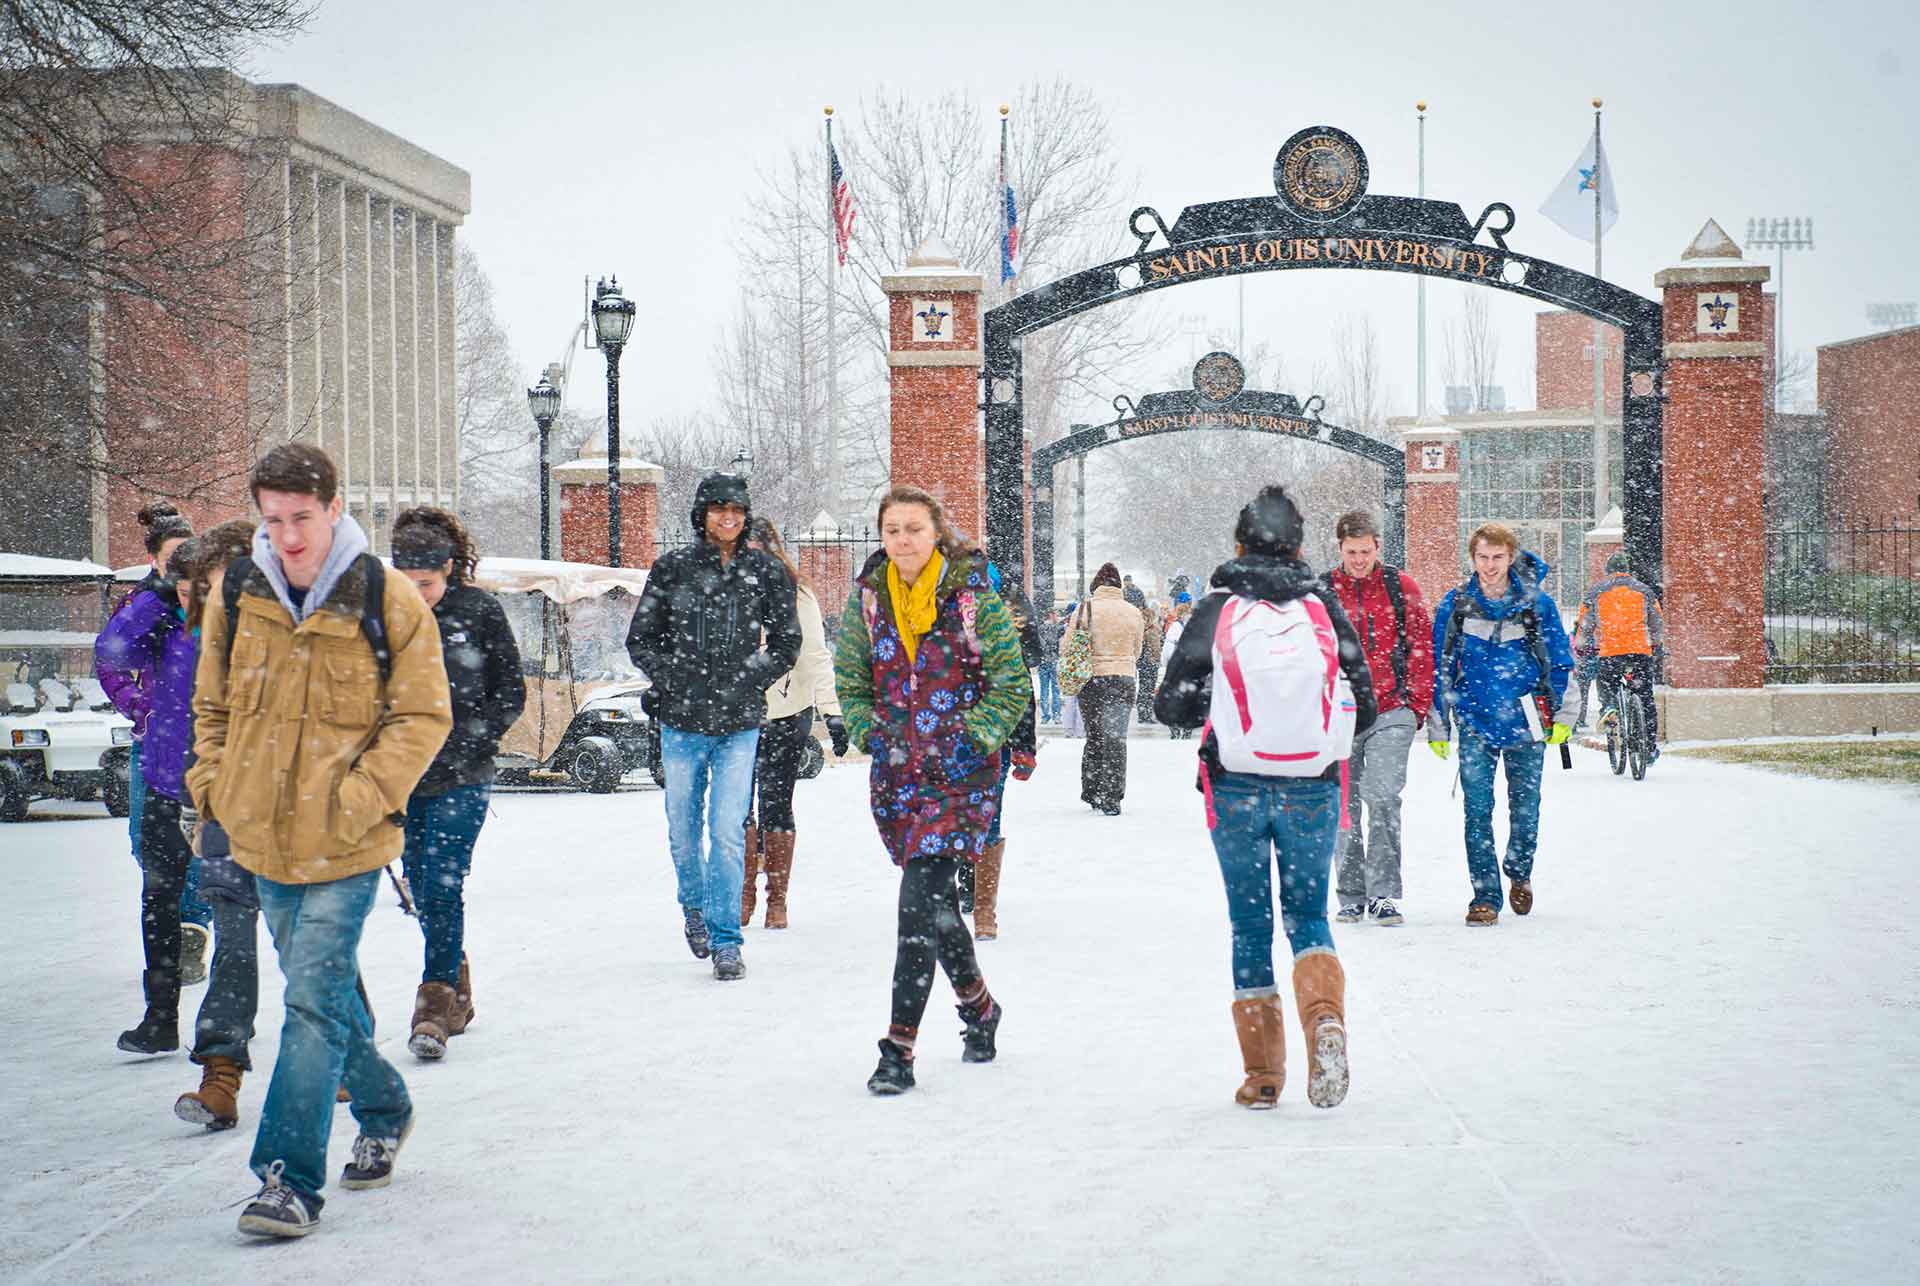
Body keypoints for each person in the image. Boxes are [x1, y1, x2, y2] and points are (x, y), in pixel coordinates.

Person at [189, 443, 451, 1237]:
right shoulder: (237, 593)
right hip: (261, 836)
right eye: (274, 520)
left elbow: (422, 715)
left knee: (307, 1001)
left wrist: (363, 797)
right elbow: (211, 710)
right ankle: (384, 1106)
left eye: (302, 517)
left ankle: (287, 1178)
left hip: (347, 841)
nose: (290, 536)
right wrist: (215, 789)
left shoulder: (386, 597)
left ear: (334, 508)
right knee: (325, 997)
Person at [1155, 485, 1376, 1110]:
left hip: (1235, 786)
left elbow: (1170, 704)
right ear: (1301, 546)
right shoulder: (1324, 607)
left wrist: (1219, 706)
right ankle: (1325, 1019)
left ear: (1238, 545)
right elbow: (1364, 706)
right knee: (1308, 915)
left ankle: (1263, 1075)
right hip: (1313, 787)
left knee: (1250, 923)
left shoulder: (1217, 610)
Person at [833, 485, 1028, 1095]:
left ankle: (899, 1049)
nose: (903, 541)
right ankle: (979, 1007)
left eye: (914, 529)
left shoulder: (974, 600)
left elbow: (1011, 683)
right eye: (892, 530)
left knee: (916, 905)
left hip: (961, 776)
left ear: (936, 533)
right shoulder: (868, 601)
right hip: (898, 773)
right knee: (937, 907)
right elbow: (850, 674)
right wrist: (868, 730)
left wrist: (975, 737)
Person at [625, 473, 800, 980]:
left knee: (726, 832)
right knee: (683, 832)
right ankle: (694, 910)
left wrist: (750, 676)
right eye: (719, 508)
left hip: (739, 722)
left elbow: (787, 642)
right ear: (701, 514)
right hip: (681, 723)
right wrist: (674, 678)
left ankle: (727, 939)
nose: (729, 517)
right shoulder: (672, 569)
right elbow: (642, 640)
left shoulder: (764, 571)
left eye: (737, 509)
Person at [389, 509, 525, 1059]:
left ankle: (434, 1005)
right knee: (419, 882)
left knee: (443, 882)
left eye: (427, 584)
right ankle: (456, 980)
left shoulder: (479, 611)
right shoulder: (382, 616)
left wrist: (475, 738)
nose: (418, 595)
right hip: (400, 774)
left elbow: (510, 689)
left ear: (450, 568)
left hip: (463, 772)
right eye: (407, 584)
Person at [1427, 523, 1576, 927]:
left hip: (1526, 721)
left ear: (1510, 557)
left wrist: (1563, 716)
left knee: (1525, 808)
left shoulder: (1536, 604)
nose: (1490, 566)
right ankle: (1485, 896)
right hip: (1474, 719)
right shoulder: (1456, 604)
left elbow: (1560, 659)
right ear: (1472, 559)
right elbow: (1438, 665)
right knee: (1477, 811)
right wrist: (1438, 722)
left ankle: (1519, 871)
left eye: (1497, 557)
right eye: (1482, 557)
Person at [167, 520, 265, 1132]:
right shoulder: (203, 643)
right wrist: (195, 796)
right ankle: (219, 1073)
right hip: (227, 811)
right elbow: (199, 730)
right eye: (212, 586)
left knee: (313, 950)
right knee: (233, 944)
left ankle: (343, 1057)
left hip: (299, 816)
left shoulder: (303, 634)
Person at [96, 508, 204, 1054]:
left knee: (238, 901)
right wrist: (158, 597)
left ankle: (229, 1021)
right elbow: (111, 654)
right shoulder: (154, 611)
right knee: (158, 892)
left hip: (224, 778)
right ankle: (160, 1016)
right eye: (171, 571)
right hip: (165, 769)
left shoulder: (234, 617)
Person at [1323, 511, 1435, 928]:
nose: (1358, 559)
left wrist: (1417, 705)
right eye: (1351, 552)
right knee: (1342, 807)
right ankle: (1351, 894)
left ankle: (1384, 892)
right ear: (1339, 548)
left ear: (1377, 548)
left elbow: (1422, 645)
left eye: (1365, 551)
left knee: (1383, 797)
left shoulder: (1399, 587)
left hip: (1391, 709)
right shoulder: (1321, 592)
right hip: (1337, 714)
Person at [739, 517, 845, 932]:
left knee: (775, 802)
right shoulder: (726, 593)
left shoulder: (797, 593)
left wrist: (831, 711)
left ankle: (776, 899)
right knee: (735, 808)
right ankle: (743, 892)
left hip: (787, 708)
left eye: (757, 547)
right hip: (736, 711)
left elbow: (816, 655)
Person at [963, 566, 1041, 941]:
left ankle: (983, 908)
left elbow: (1020, 688)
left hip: (994, 737)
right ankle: (966, 891)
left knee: (987, 814)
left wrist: (1024, 745)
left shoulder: (1005, 631)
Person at [1572, 552, 1664, 754]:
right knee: (1646, 697)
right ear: (1627, 569)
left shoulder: (1596, 592)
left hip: (1611, 652)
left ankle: (1609, 707)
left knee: (1606, 682)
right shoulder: (1644, 591)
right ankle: (1648, 748)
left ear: (1608, 571)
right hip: (1640, 652)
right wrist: (1656, 643)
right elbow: (1657, 621)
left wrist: (1582, 646)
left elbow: (1585, 625)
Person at [1080, 563, 1144, 815]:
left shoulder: (1085, 610)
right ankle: (1112, 796)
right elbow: (1137, 650)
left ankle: (1092, 790)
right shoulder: (1132, 612)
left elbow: (1068, 647)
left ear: (1095, 585)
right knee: (1116, 738)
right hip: (1122, 679)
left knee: (1094, 735)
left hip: (1092, 679)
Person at [1159, 593, 1196, 740]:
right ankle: (1185, 728)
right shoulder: (1193, 626)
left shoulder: (1175, 627)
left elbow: (1167, 651)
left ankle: (1176, 728)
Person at [1135, 594, 1164, 725]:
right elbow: (1154, 647)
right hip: (1149, 663)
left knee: (1145, 687)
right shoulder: (1149, 630)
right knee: (1146, 688)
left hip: (1146, 662)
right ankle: (1144, 714)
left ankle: (1144, 712)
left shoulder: (1146, 629)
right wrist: (1154, 658)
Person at [1035, 605, 1062, 724]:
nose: (1058, 617)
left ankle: (1045, 715)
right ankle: (1056, 715)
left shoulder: (1040, 628)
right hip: (1054, 661)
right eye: (1056, 614)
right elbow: (1058, 646)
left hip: (1043, 661)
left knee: (1044, 689)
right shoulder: (1058, 628)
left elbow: (1039, 645)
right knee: (1055, 690)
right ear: (1051, 615)